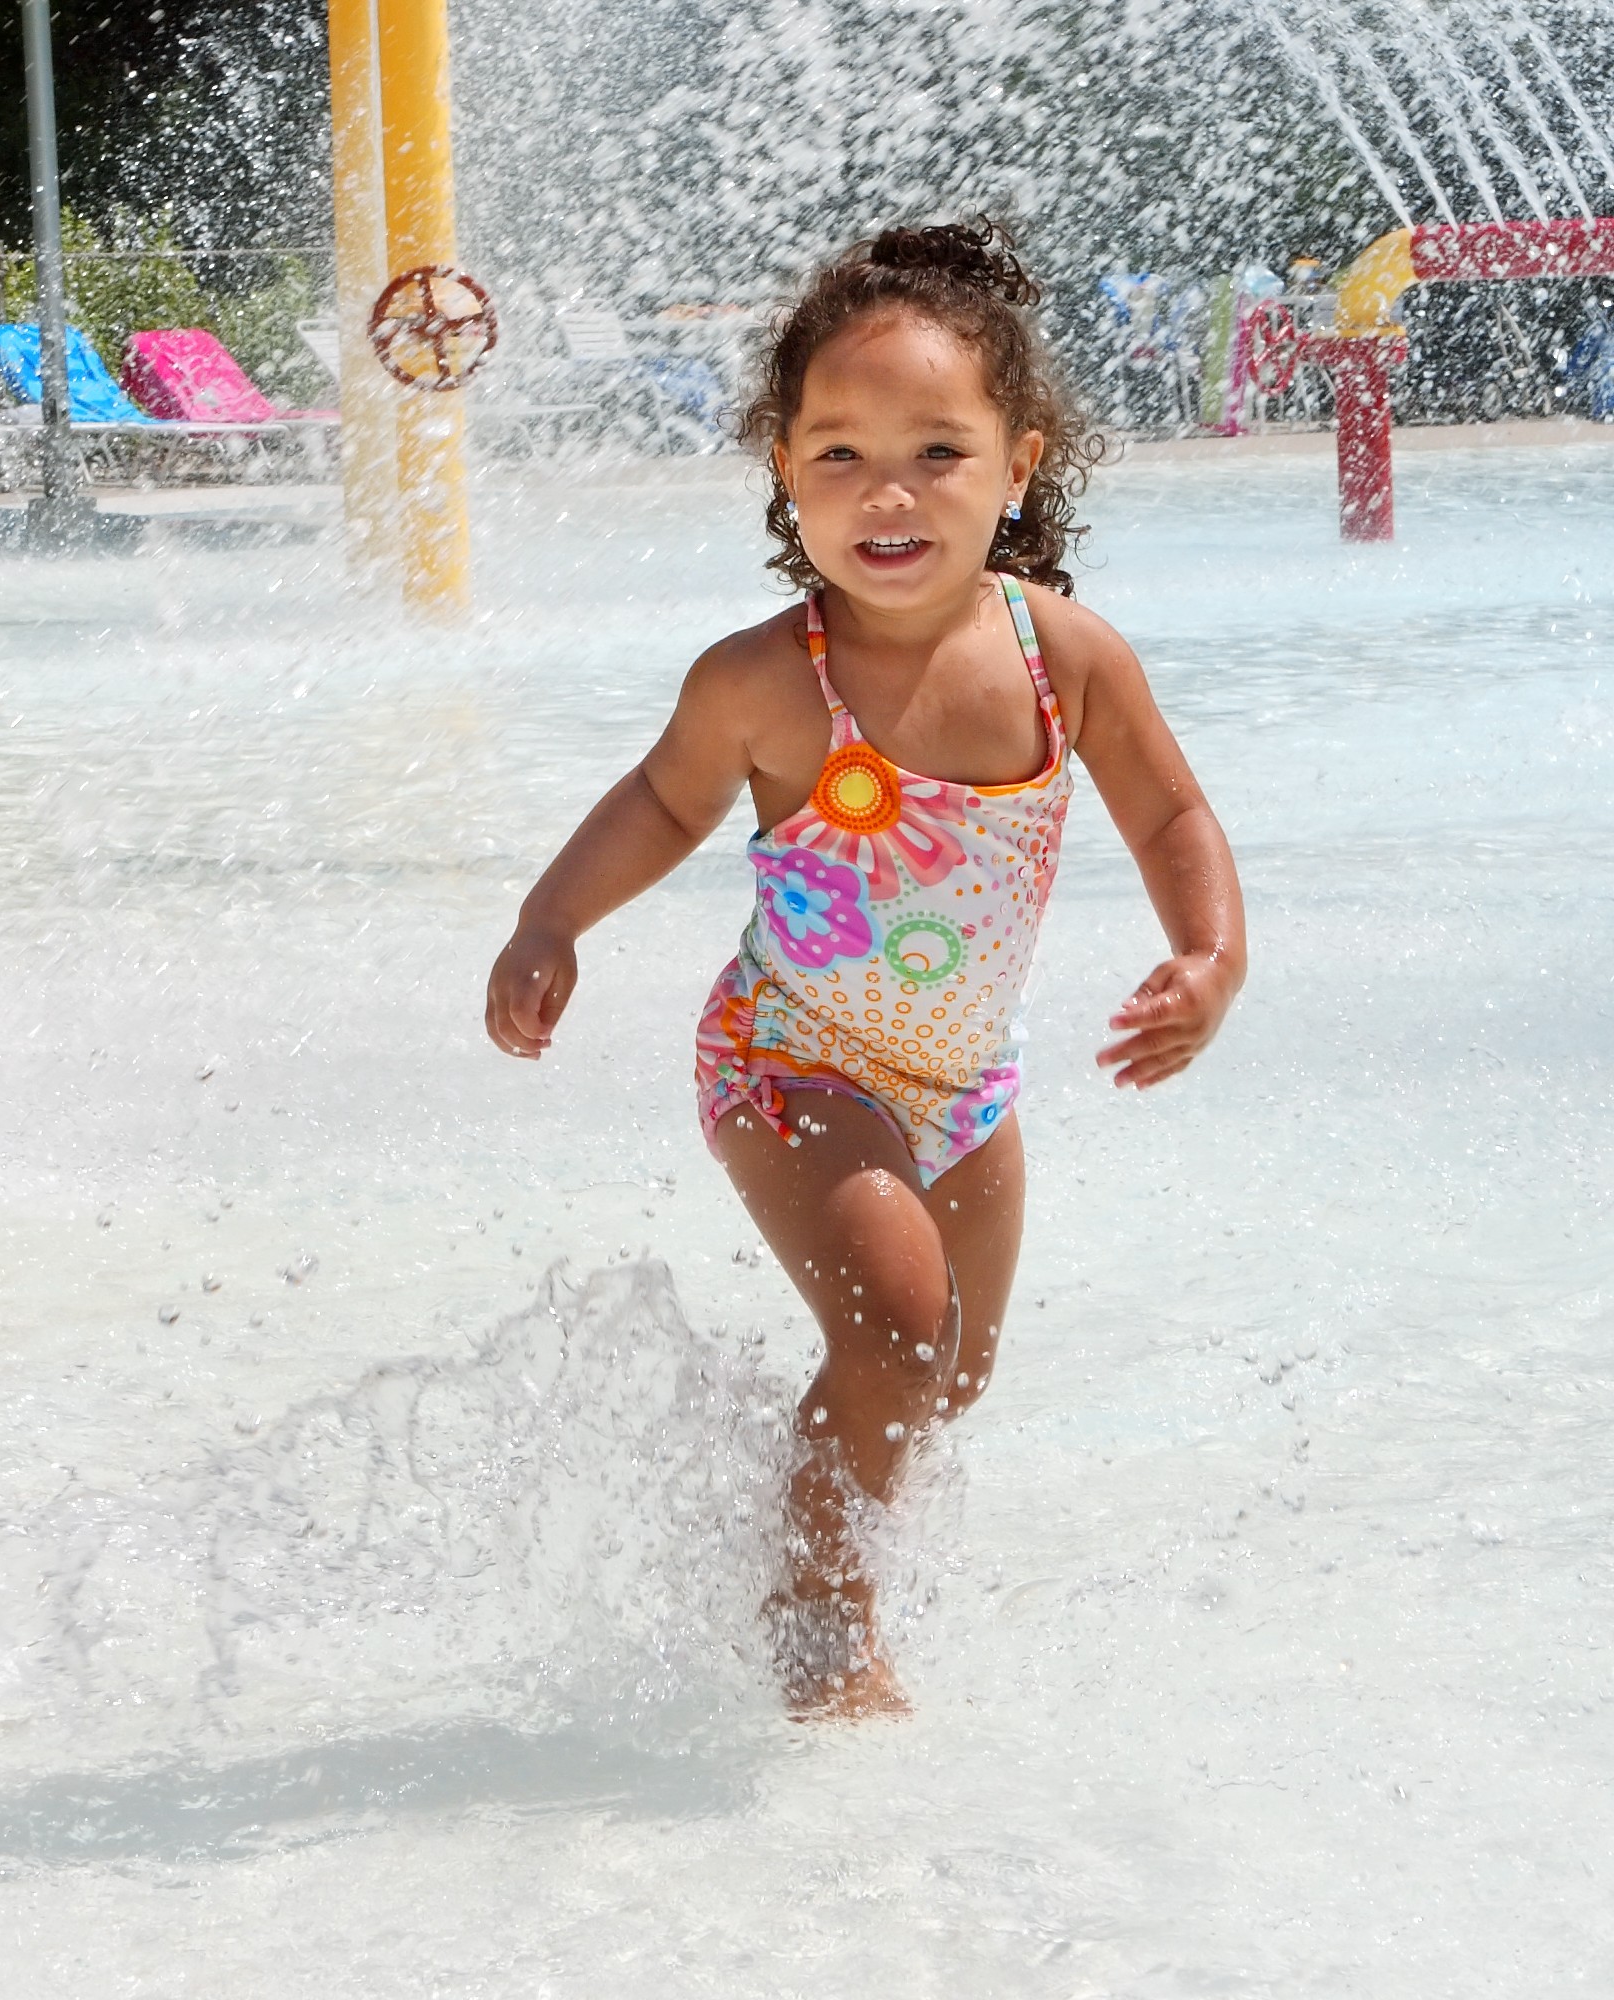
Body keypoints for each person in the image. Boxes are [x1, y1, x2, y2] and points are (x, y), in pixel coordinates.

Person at [483, 218, 1246, 1718]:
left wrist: (1209, 956)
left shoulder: (1064, 657)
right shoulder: (767, 679)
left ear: (1017, 468)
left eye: (937, 453)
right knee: (896, 1333)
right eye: (838, 454)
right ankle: (818, 1614)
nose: (886, 492)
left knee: (949, 1376)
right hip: (789, 1056)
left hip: (967, 1081)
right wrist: (550, 921)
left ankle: (780, 1495)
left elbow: (1171, 809)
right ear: (782, 467)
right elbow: (659, 802)